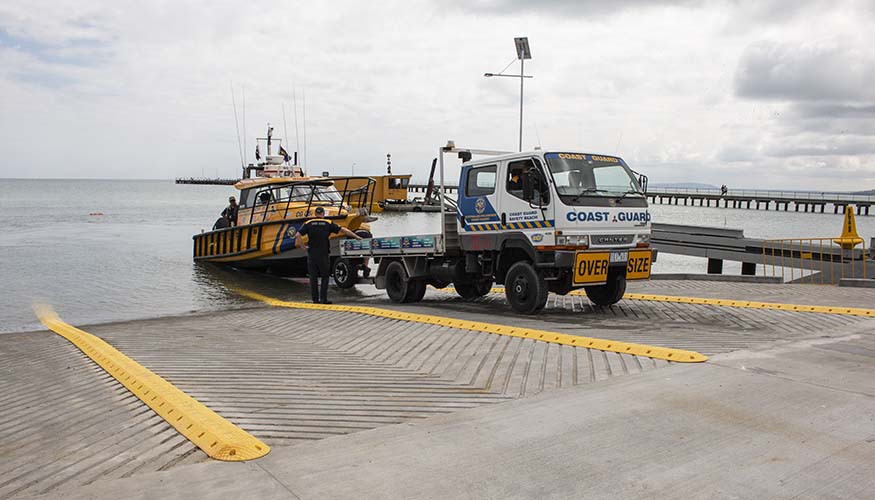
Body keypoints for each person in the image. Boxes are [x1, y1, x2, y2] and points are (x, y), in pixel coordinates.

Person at [295, 206, 363, 304]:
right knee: (325, 276)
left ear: (315, 214)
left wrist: (304, 248)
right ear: (323, 214)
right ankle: (323, 299)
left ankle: (315, 300)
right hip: (323, 254)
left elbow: (297, 235)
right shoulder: (328, 223)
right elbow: (343, 230)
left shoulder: (308, 223)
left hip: (312, 255)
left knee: (313, 277)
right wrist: (357, 237)